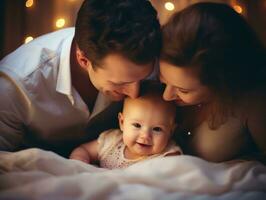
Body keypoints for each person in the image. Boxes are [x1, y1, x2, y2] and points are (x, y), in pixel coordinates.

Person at [0, 0, 161, 156]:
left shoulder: (152, 57)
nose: (135, 93)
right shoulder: (15, 85)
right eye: (121, 83)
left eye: (142, 79)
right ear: (83, 60)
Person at [159, 2, 266, 163]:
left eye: (184, 90)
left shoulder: (255, 103)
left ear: (222, 84)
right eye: (163, 79)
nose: (166, 96)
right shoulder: (148, 83)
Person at [69, 82, 182, 169]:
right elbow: (84, 150)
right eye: (137, 125)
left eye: (157, 129)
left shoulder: (168, 156)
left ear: (171, 131)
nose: (145, 136)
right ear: (122, 122)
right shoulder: (112, 141)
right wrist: (80, 162)